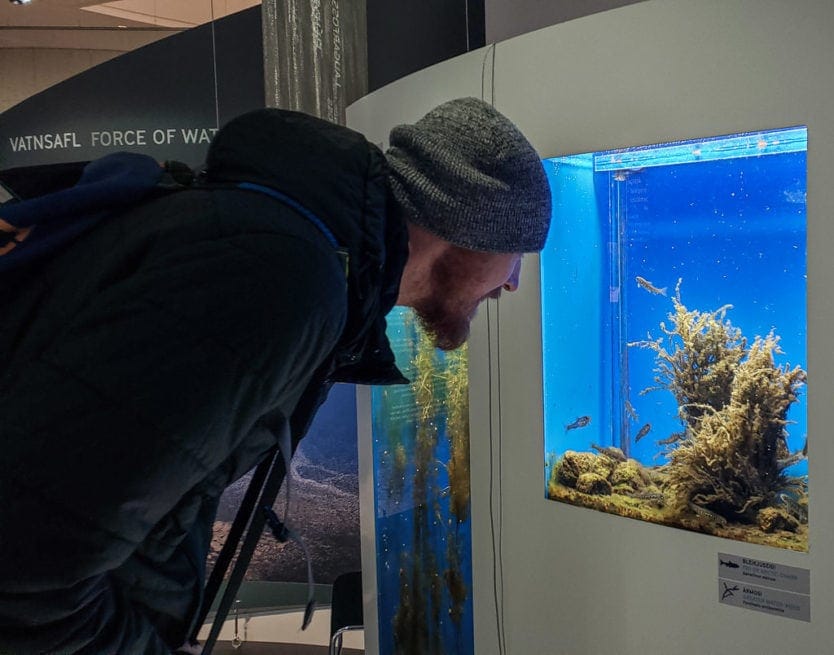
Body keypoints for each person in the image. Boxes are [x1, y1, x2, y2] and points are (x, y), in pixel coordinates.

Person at [0, 97, 551, 654]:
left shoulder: (275, 246)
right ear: (469, 225)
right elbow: (31, 564)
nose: (512, 284)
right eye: (517, 254)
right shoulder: (280, 281)